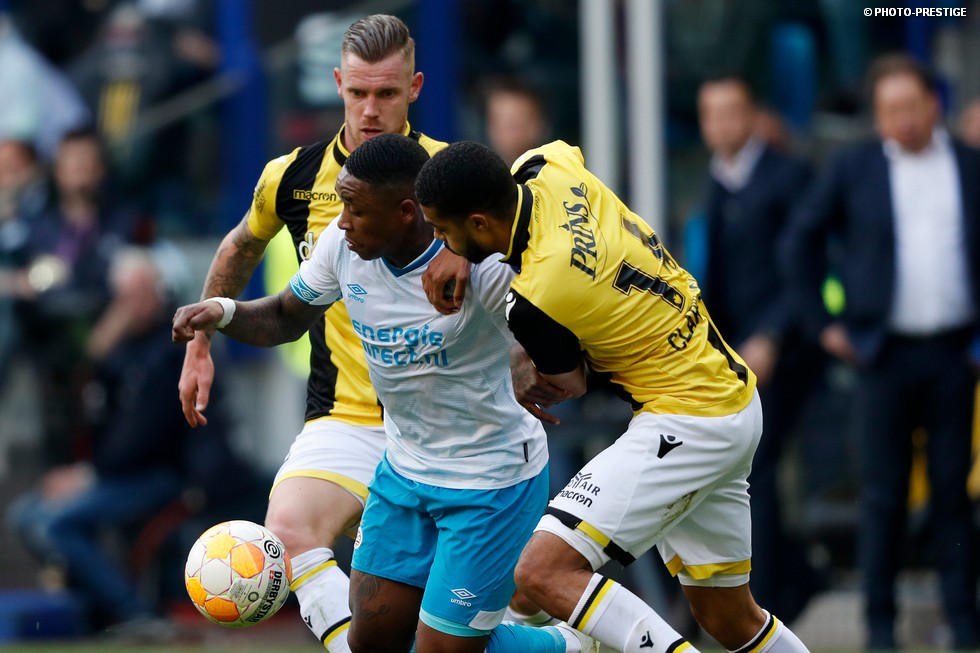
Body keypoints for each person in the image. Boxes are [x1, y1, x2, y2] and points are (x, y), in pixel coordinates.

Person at [173, 133, 597, 653]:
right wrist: (222, 312)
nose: (341, 221)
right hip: (405, 474)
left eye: (354, 209)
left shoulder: (482, 267)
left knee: (442, 650)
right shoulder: (341, 247)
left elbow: (568, 333)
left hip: (491, 482)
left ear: (405, 212)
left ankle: (572, 647)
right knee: (371, 644)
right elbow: (285, 316)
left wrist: (529, 357)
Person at [415, 140, 812, 653]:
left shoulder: (535, 298)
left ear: (479, 222)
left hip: (686, 418)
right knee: (729, 617)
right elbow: (540, 165)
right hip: (728, 396)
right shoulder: (549, 166)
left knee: (541, 571)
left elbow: (568, 383)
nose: (439, 241)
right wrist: (459, 246)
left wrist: (519, 369)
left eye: (442, 231)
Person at [177, 15, 468, 651]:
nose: (370, 110)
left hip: (453, 422)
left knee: (507, 598)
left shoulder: (454, 176)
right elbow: (240, 246)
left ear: (415, 87)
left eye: (386, 93)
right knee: (286, 534)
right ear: (337, 83)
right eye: (357, 92)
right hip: (347, 415)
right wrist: (201, 343)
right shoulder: (293, 176)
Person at [781, 53, 980, 649]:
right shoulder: (854, 166)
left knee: (953, 491)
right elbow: (800, 242)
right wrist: (824, 326)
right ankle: (879, 624)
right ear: (877, 115)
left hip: (955, 353)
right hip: (881, 355)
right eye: (890, 110)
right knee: (882, 494)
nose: (904, 120)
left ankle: (962, 620)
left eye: (912, 106)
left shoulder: (969, 164)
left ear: (934, 104)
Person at [7, 246, 252, 632]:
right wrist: (95, 356)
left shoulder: (174, 347)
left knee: (56, 524)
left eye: (138, 294)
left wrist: (88, 475)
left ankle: (137, 613)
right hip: (113, 472)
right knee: (26, 515)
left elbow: (141, 435)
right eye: (123, 297)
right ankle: (97, 608)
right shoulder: (118, 347)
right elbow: (87, 414)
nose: (129, 306)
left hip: (161, 473)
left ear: (159, 291)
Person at [696, 74, 825, 623]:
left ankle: (767, 602)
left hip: (783, 354)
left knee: (757, 471)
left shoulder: (788, 176)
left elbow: (804, 269)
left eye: (731, 112)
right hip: (732, 355)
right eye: (710, 114)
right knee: (736, 474)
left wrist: (771, 336)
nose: (721, 124)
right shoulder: (715, 180)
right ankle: (792, 581)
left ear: (752, 116)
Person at [482, 76, 551, 167]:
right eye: (503, 123)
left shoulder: (559, 170)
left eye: (518, 123)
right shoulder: (477, 172)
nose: (511, 133)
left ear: (540, 124)